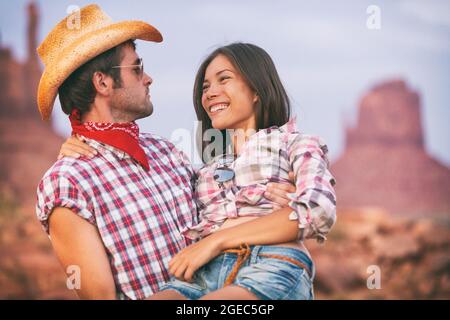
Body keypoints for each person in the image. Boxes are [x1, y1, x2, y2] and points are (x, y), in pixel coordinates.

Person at [36, 5, 301, 300]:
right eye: (137, 68)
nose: (148, 78)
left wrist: (279, 191)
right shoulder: (69, 181)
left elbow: (223, 207)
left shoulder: (165, 152)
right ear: (103, 82)